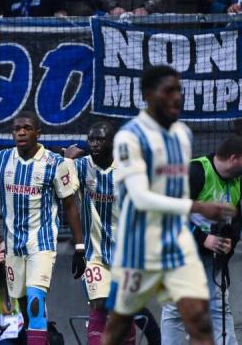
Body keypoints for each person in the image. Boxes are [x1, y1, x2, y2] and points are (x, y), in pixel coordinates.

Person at [103, 65, 236, 345]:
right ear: (148, 95)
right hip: (139, 242)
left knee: (199, 322)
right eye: (168, 91)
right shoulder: (130, 137)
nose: (177, 97)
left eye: (179, 90)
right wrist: (199, 208)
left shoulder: (183, 135)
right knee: (117, 326)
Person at [0, 111, 83, 345]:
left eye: (27, 128)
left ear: (37, 133)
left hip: (41, 244)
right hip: (13, 246)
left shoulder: (54, 163)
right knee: (22, 303)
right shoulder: (0, 160)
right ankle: (38, 337)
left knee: (34, 299)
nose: (21, 132)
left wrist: (80, 246)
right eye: (16, 128)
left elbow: (70, 206)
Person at [67, 122, 160, 345]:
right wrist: (67, 161)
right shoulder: (80, 166)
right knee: (99, 302)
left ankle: (152, 337)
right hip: (94, 252)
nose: (95, 144)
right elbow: (62, 192)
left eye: (100, 139)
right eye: (91, 139)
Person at [161, 135, 242, 345]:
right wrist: (203, 239)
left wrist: (229, 243)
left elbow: (237, 220)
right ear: (233, 158)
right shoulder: (196, 172)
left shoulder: (236, 181)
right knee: (175, 308)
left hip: (212, 260)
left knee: (219, 307)